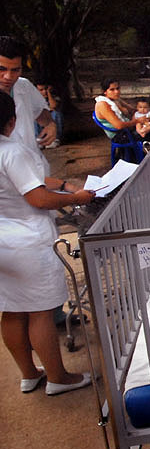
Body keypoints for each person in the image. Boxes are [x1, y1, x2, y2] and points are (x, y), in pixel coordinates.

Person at [0, 91, 96, 395]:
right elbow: (38, 197)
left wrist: (64, 185)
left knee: (13, 311)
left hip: (4, 243)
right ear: (13, 120)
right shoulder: (12, 151)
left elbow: (33, 181)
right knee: (40, 311)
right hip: (26, 241)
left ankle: (30, 374)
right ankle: (58, 377)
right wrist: (76, 197)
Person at [0, 36, 56, 175]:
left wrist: (50, 124)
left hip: (36, 170)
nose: (8, 76)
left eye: (15, 70)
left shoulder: (23, 86)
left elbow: (41, 111)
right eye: (1, 69)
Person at [95, 79, 150, 146]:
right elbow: (119, 126)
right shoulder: (103, 104)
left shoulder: (115, 99)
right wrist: (137, 121)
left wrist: (148, 114)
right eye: (112, 90)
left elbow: (133, 110)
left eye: (118, 88)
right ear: (104, 91)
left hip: (130, 128)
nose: (116, 92)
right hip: (121, 135)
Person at [34, 81, 61, 148]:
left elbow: (53, 106)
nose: (44, 92)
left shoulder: (54, 97)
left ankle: (55, 138)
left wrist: (49, 93)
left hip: (51, 121)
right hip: (42, 123)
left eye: (45, 89)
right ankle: (39, 138)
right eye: (41, 90)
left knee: (56, 113)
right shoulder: (34, 99)